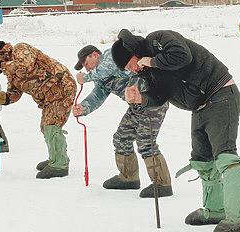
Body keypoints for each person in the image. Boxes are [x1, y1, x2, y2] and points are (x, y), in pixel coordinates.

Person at [112, 29, 240, 232]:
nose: (133, 69)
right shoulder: (147, 71)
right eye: (128, 69)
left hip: (221, 94)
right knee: (202, 160)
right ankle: (215, 210)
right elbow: (160, 96)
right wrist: (141, 98)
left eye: (131, 64)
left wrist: (150, 61)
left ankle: (239, 215)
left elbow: (181, 56)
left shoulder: (158, 40)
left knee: (225, 156)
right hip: (200, 107)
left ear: (134, 53)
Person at [72, 44, 172, 197]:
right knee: (121, 138)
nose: (87, 69)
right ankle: (128, 178)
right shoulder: (100, 78)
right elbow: (97, 96)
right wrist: (83, 108)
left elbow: (109, 68)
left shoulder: (111, 56)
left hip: (152, 101)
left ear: (95, 55)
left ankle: (162, 184)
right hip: (137, 107)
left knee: (145, 142)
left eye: (86, 64)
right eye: (84, 68)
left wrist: (85, 78)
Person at [0, 40, 76, 179]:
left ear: (0, 52)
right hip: (48, 97)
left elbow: (25, 65)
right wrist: (7, 98)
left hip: (61, 86)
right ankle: (55, 157)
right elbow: (15, 91)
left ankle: (59, 165)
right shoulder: (11, 72)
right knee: (46, 126)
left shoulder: (20, 49)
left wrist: (2, 65)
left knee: (51, 125)